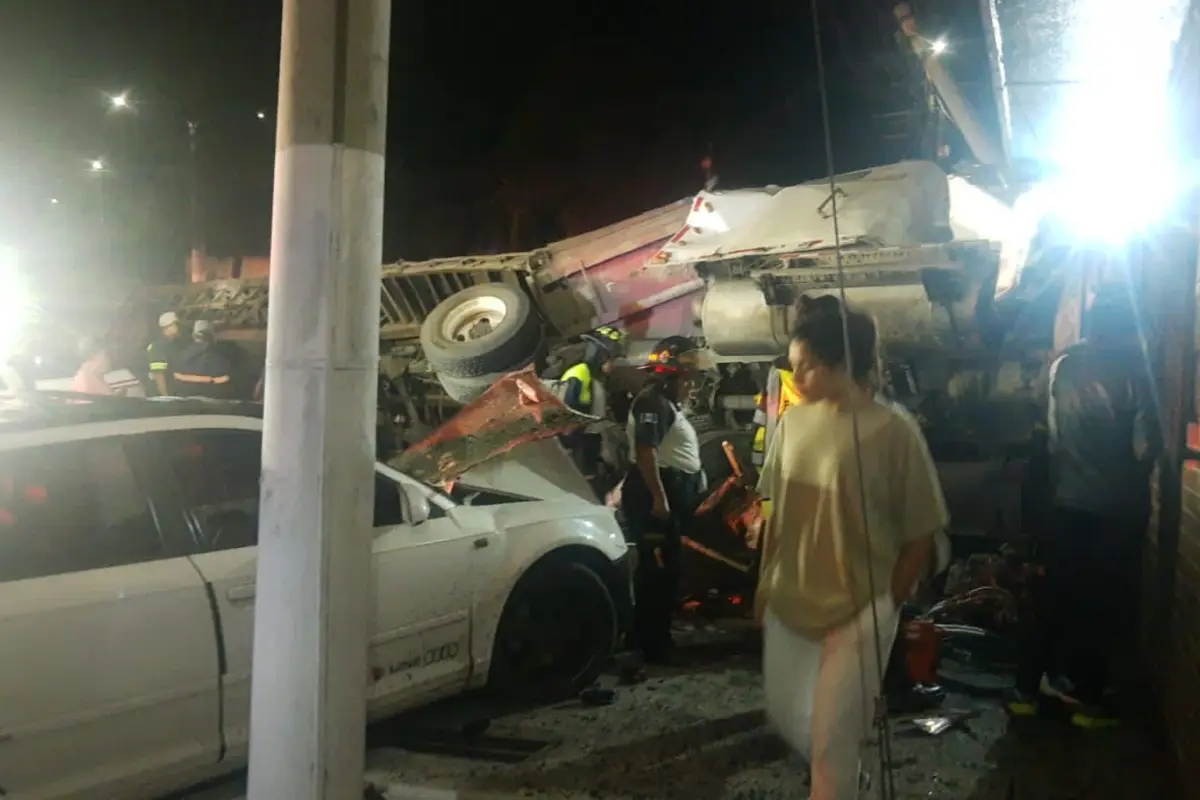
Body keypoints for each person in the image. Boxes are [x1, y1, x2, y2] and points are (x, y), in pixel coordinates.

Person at [755, 301, 947, 798]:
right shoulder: (793, 425)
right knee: (789, 717)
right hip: (792, 600)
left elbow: (922, 528)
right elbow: (776, 509)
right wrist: (765, 579)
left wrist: (889, 601)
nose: (796, 378)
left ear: (841, 364)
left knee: (832, 745)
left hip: (860, 609)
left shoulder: (893, 430)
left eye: (805, 367)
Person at [1007, 286, 1159, 728]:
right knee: (1101, 605)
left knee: (1052, 596)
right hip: (1116, 511)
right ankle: (1087, 701)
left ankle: (1025, 691)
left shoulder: (1064, 367)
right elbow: (1145, 448)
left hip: (1065, 503)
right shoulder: (1137, 373)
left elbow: (1052, 437)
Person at [620, 335, 706, 665]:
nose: (690, 387)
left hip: (663, 491)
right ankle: (655, 645)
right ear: (671, 377)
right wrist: (659, 499)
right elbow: (646, 451)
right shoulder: (653, 403)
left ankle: (643, 635)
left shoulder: (663, 403)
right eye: (687, 381)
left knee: (659, 569)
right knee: (660, 571)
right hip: (653, 496)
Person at [560, 326, 626, 489]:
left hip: (589, 444)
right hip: (578, 447)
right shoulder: (579, 374)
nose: (614, 365)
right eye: (612, 359)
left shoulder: (596, 378)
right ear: (601, 355)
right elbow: (566, 419)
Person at [172, 320, 234, 399]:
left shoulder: (179, 357)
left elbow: (175, 384)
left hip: (184, 403)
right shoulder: (221, 361)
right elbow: (225, 389)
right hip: (212, 403)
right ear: (212, 338)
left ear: (193, 336)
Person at [147, 311, 185, 396]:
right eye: (177, 325)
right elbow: (159, 375)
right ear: (169, 327)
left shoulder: (175, 345)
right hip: (162, 397)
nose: (180, 328)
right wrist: (165, 397)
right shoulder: (158, 347)